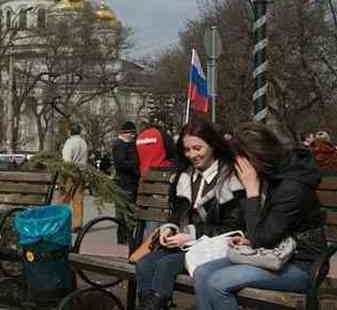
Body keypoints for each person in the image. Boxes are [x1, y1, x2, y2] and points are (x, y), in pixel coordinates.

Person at [192, 122, 327, 310]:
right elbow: (263, 234)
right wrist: (245, 239)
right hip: (272, 253)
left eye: (239, 164)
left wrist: (252, 192)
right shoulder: (271, 175)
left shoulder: (292, 187)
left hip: (301, 264)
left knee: (217, 282)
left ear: (254, 159)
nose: (237, 171)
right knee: (202, 272)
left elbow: (261, 239)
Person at [135, 118, 245, 310]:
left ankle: (153, 306)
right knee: (144, 263)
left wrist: (191, 235)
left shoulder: (229, 178)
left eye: (198, 148)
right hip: (184, 245)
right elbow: (176, 214)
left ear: (212, 145)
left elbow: (233, 227)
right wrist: (169, 229)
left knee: (166, 265)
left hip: (213, 247)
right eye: (187, 150)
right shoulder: (184, 176)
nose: (192, 155)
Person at [112, 120, 139, 243]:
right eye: (132, 133)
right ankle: (123, 237)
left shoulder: (127, 144)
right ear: (126, 133)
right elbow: (120, 163)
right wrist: (135, 164)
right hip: (125, 182)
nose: (134, 136)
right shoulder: (120, 145)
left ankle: (126, 236)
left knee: (126, 211)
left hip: (128, 182)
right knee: (124, 212)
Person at [60, 122, 89, 232]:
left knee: (64, 199)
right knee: (78, 200)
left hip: (69, 174)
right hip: (81, 174)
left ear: (70, 131)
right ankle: (77, 225)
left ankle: (61, 222)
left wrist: (63, 173)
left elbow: (67, 160)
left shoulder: (70, 142)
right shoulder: (83, 142)